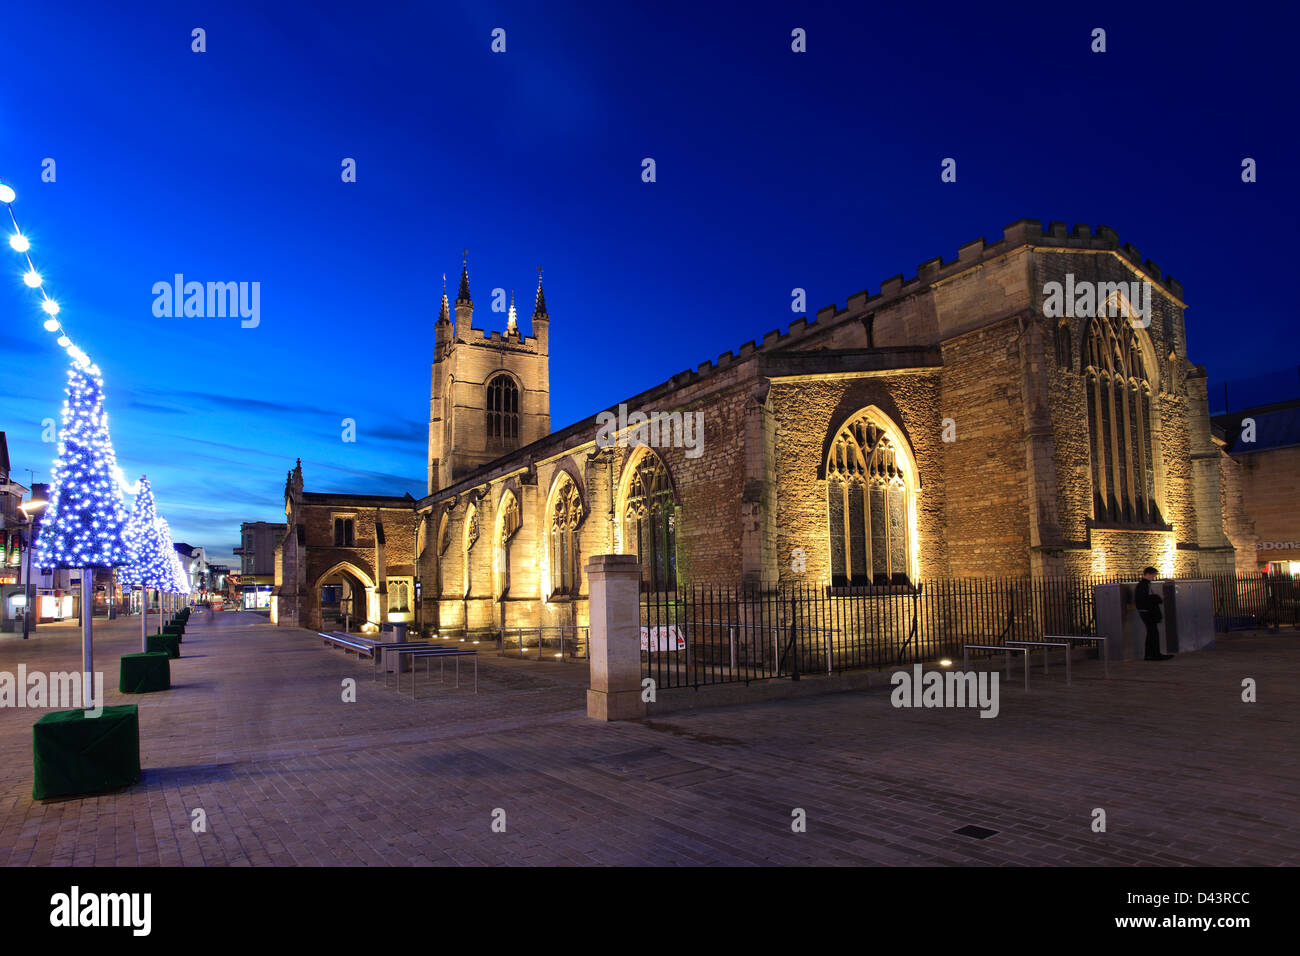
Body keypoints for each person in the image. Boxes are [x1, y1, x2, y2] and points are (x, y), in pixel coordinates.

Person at [1135, 567, 1173, 661]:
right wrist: (1158, 598)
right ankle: (1154, 654)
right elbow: (1145, 599)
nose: (1154, 577)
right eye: (1153, 575)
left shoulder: (1144, 585)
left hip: (1146, 611)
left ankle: (1151, 654)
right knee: (1153, 633)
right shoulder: (1143, 585)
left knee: (1152, 633)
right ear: (1148, 574)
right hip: (1148, 612)